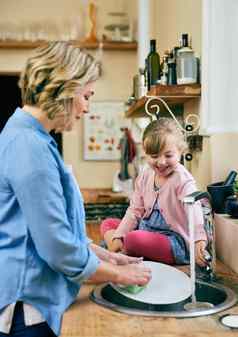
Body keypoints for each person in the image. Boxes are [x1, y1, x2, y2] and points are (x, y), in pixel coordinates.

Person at [0, 41, 151, 337]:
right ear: (65, 88)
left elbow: (45, 230)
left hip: (32, 298)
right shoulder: (28, 145)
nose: (86, 107)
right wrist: (119, 274)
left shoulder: (30, 137)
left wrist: (106, 256)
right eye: (86, 96)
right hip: (27, 307)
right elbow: (56, 247)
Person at [101, 118, 208, 267]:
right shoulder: (145, 175)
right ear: (146, 153)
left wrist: (198, 239)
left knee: (133, 239)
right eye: (154, 156)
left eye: (168, 155)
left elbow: (194, 209)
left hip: (172, 241)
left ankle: (120, 251)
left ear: (181, 151)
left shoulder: (182, 179)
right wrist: (119, 235)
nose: (161, 162)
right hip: (145, 231)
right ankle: (120, 249)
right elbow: (134, 211)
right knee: (108, 223)